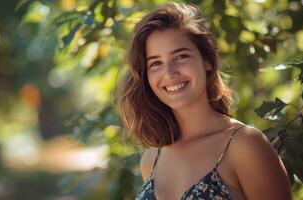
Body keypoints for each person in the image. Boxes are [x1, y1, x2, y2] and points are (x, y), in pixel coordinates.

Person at [117, 2, 292, 200]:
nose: (170, 73)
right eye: (156, 63)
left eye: (181, 56)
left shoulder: (245, 145)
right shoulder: (152, 159)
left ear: (207, 60)